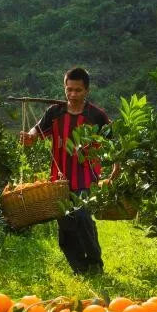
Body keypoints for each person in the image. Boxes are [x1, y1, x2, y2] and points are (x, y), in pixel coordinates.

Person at [20, 67, 119, 275]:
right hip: (59, 180)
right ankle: (79, 269)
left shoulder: (96, 115)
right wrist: (28, 137)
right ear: (65, 88)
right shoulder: (55, 112)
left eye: (78, 90)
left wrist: (115, 172)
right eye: (69, 89)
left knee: (82, 218)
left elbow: (116, 144)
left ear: (87, 91)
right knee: (66, 227)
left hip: (86, 176)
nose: (73, 94)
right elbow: (36, 131)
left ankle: (95, 263)